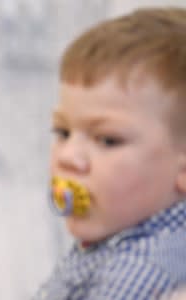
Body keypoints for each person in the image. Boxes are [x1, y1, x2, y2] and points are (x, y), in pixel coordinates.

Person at [34, 7, 186, 300]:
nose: (68, 157)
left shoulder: (138, 270)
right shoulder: (119, 240)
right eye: (63, 133)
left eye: (107, 140)